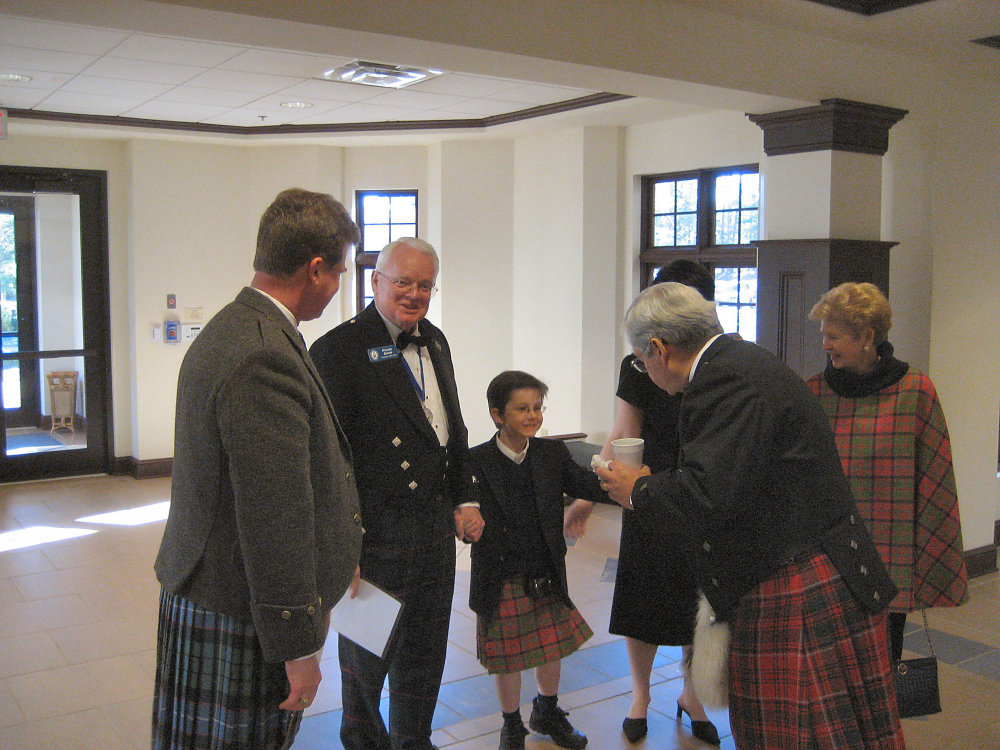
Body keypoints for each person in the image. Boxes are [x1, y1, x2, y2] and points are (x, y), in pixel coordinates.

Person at [596, 282, 905, 749]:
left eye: (642, 360)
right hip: (817, 561)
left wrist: (638, 489)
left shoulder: (721, 382)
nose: (644, 370)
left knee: (793, 735)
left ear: (658, 348)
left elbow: (709, 496)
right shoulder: (743, 360)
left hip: (792, 578)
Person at [152, 188, 364, 750]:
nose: (338, 286)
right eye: (338, 273)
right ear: (314, 270)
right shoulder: (265, 353)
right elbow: (275, 517)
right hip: (242, 607)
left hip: (217, 587)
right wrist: (297, 646)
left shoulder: (236, 326)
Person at [309, 238, 483, 750]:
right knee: (366, 659)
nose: (414, 294)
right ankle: (363, 742)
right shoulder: (338, 350)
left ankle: (414, 740)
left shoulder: (436, 341)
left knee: (426, 652)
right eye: (403, 282)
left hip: (433, 529)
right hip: (373, 535)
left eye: (425, 285)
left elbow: (451, 428)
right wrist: (340, 547)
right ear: (376, 282)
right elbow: (325, 460)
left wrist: (465, 497)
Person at [807, 281, 967, 662]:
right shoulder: (814, 393)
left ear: (867, 338)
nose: (825, 345)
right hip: (828, 555)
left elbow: (936, 484)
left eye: (833, 336)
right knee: (829, 663)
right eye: (823, 335)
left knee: (882, 661)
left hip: (888, 557)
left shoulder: (916, 391)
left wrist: (932, 567)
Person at [600, 260, 719, 745]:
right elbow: (624, 430)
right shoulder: (638, 362)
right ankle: (640, 696)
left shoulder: (716, 364)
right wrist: (595, 489)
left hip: (700, 489)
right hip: (646, 489)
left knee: (699, 598)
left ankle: (693, 694)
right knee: (643, 598)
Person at [470, 371, 604, 750]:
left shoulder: (550, 454)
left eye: (537, 407)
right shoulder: (475, 460)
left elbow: (584, 483)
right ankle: (511, 724)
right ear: (497, 415)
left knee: (552, 647)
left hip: (545, 570)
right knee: (507, 658)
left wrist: (625, 483)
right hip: (501, 575)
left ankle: (546, 710)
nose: (533, 416)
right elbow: (462, 512)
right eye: (522, 409)